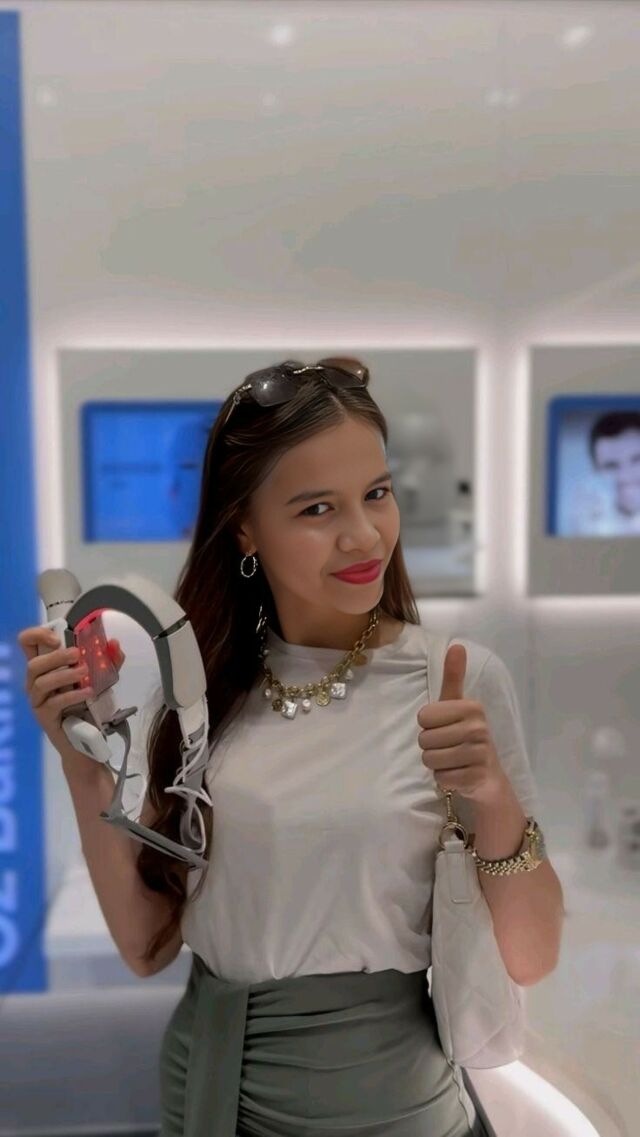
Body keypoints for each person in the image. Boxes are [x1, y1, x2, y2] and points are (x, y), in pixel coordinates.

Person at [21, 357, 547, 1137]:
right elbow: (145, 944)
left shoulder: (453, 681)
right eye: (316, 508)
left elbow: (532, 956)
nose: (363, 534)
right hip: (208, 1093)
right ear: (244, 528)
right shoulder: (199, 688)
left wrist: (494, 799)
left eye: (376, 493)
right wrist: (78, 759)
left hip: (386, 1109)